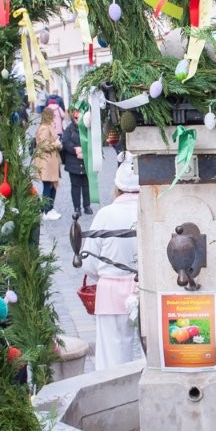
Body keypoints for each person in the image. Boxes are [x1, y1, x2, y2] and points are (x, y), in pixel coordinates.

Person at [82, 158, 141, 370]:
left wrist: (103, 276)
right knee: (153, 350)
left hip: (111, 289)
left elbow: (88, 261)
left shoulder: (105, 214)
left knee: (111, 358)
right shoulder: (153, 211)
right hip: (146, 288)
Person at [34, 106, 63, 221]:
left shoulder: (48, 126)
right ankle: (46, 210)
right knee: (48, 187)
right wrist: (56, 144)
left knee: (52, 186)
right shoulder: (44, 128)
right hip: (46, 162)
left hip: (50, 162)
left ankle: (50, 208)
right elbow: (44, 146)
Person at [60, 108, 91, 217]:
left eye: (80, 116)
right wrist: (74, 149)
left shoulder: (87, 129)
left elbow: (92, 140)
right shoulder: (69, 129)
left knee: (87, 185)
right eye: (76, 117)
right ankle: (77, 207)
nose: (78, 118)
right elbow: (65, 141)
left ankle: (87, 205)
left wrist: (84, 149)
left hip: (86, 161)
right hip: (73, 162)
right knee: (75, 186)